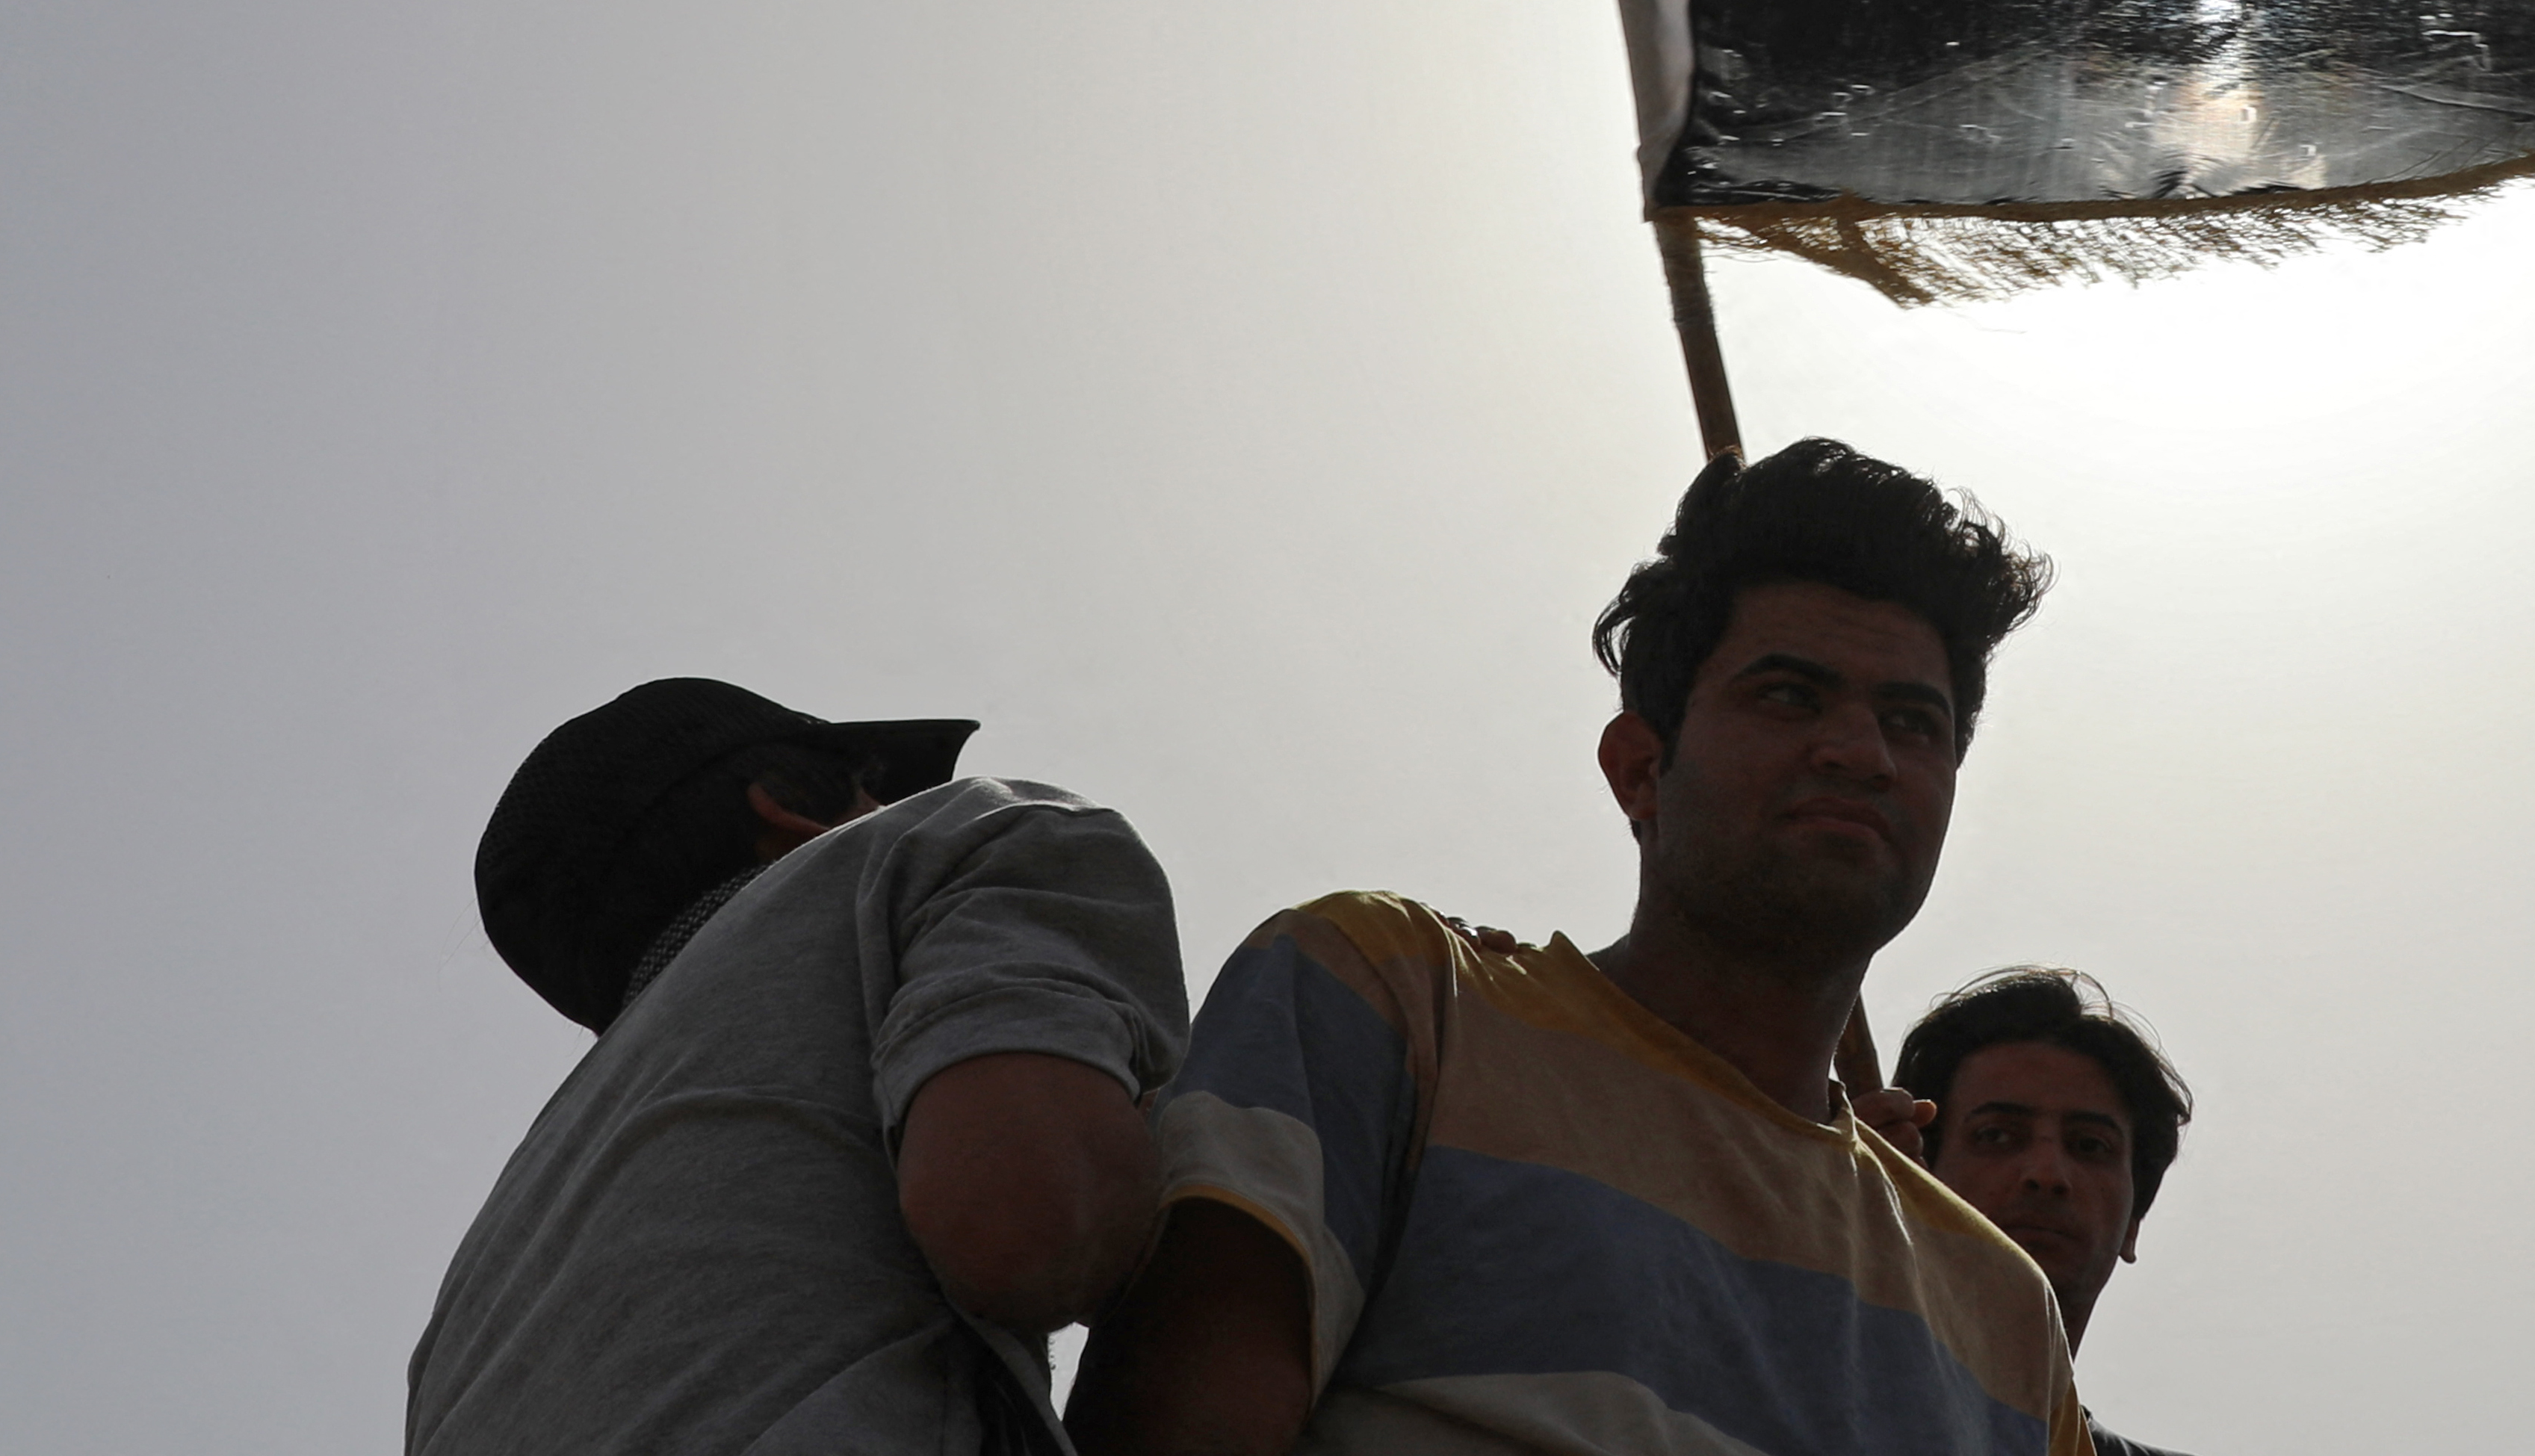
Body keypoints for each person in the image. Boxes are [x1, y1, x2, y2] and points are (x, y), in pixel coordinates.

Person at [1075, 439, 2082, 1456]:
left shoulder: (2006, 1317)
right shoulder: (1392, 1000)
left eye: (1913, 723)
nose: (1861, 754)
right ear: (1641, 770)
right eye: (1790, 696)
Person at [411, 677, 1192, 1456]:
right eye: (874, 788)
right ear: (782, 804)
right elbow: (1026, 1226)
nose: (895, 807)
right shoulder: (959, 838)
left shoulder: (476, 1287)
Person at [1894, 971, 2197, 1456]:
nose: (2048, 1173)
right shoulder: (1788, 1409)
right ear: (1909, 1179)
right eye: (1997, 1136)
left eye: (2089, 1146)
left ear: (2133, 1222)